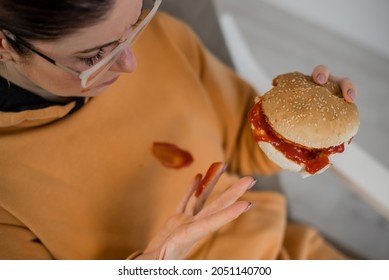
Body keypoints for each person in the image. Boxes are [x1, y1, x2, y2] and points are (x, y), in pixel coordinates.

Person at [0, 0, 357, 260]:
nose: (130, 63)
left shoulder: (165, 38)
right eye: (95, 56)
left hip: (276, 254)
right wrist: (153, 265)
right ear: (5, 45)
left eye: (136, 22)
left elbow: (246, 146)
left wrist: (303, 124)